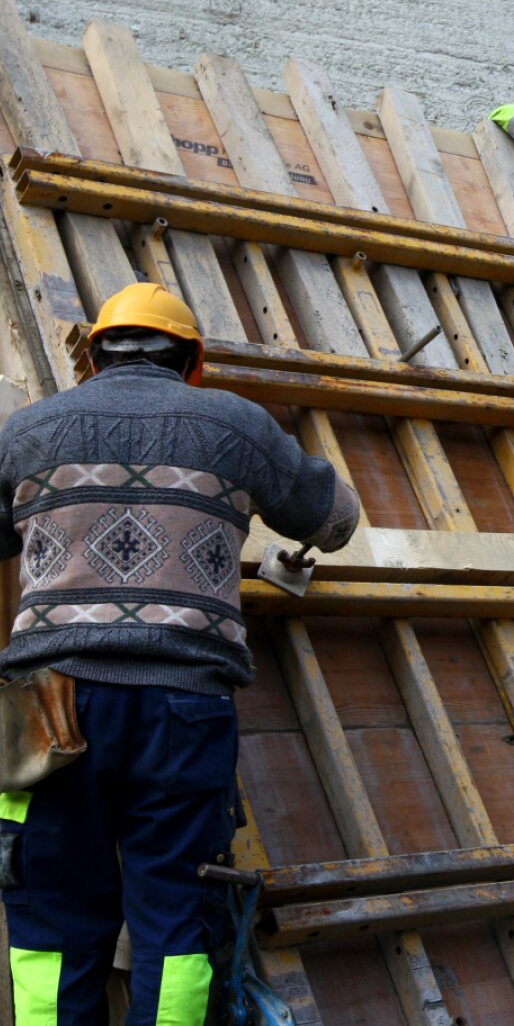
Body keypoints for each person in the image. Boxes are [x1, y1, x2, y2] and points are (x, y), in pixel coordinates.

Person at [0, 282, 359, 1024]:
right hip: (184, 706)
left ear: (94, 359)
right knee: (175, 921)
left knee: (50, 925)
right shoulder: (235, 424)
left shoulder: (27, 430)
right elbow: (334, 522)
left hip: (46, 707)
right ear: (193, 362)